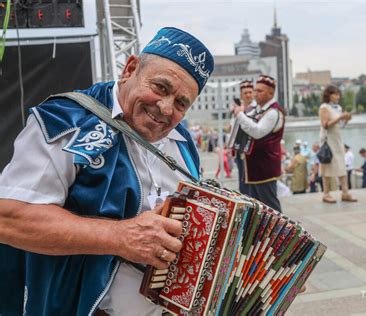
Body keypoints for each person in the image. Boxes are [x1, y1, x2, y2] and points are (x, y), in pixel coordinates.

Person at [0, 27, 214, 315]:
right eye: (160, 88)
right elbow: (9, 218)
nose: (165, 108)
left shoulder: (183, 142)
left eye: (180, 103)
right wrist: (121, 237)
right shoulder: (63, 121)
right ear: (130, 68)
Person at [232, 75, 285, 212]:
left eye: (259, 91)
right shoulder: (260, 109)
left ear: (271, 93)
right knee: (257, 206)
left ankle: (280, 233)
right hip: (254, 167)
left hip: (264, 168)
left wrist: (240, 115)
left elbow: (257, 131)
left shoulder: (273, 112)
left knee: (270, 206)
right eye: (255, 90)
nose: (255, 94)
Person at [318, 85, 357, 203]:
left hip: (337, 139)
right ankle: (326, 193)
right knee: (327, 167)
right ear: (328, 95)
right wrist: (341, 117)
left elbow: (339, 126)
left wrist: (346, 120)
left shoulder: (338, 107)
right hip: (328, 140)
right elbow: (325, 124)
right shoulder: (324, 107)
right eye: (335, 94)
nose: (337, 96)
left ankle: (345, 192)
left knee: (341, 165)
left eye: (338, 94)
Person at [231, 80, 256, 195]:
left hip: (251, 150)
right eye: (245, 93)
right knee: (242, 179)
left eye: (250, 92)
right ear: (241, 95)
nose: (248, 95)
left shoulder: (256, 110)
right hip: (239, 150)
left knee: (250, 180)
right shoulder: (237, 109)